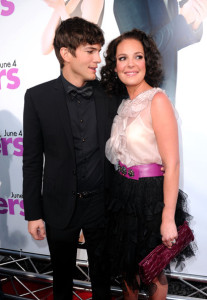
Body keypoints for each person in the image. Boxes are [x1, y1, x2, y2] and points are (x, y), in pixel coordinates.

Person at [23, 17, 119, 300]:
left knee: (104, 280)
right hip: (58, 206)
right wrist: (33, 213)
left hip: (102, 207)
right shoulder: (38, 97)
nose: (98, 59)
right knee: (62, 282)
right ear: (66, 53)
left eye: (99, 51)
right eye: (91, 51)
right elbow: (31, 160)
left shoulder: (110, 95)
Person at [101, 29, 195, 299]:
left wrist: (168, 218)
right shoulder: (123, 104)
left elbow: (173, 163)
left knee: (153, 273)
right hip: (122, 192)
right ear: (115, 65)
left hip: (151, 196)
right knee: (127, 271)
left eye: (137, 56)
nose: (130, 64)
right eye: (122, 58)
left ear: (147, 61)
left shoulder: (158, 100)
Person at [113, 0, 207, 103]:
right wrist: (183, 19)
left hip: (166, 96)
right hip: (142, 101)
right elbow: (142, 50)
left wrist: (195, 19)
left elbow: (170, 43)